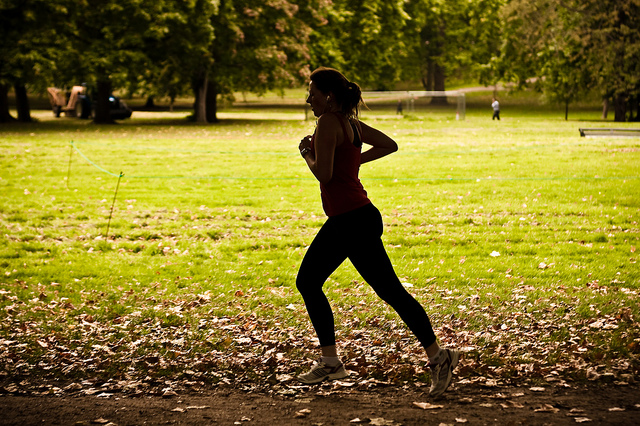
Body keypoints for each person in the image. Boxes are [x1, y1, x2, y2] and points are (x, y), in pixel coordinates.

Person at [296, 67, 459, 397]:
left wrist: (307, 154)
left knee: (321, 283)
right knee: (375, 290)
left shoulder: (328, 123)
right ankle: (332, 362)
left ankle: (439, 358)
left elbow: (324, 175)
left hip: (351, 221)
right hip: (355, 217)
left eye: (312, 93)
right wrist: (353, 164)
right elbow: (389, 144)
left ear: (328, 96)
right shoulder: (351, 124)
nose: (308, 99)